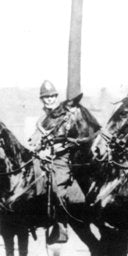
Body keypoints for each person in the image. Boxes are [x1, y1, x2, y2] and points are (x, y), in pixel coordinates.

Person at [28, 80, 75, 245]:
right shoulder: (41, 120)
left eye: (52, 96)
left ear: (57, 97)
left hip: (64, 157)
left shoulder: (67, 115)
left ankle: (62, 226)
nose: (49, 100)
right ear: (42, 100)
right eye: (46, 97)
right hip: (45, 159)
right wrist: (40, 151)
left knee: (57, 187)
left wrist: (53, 151)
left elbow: (71, 140)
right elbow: (34, 141)